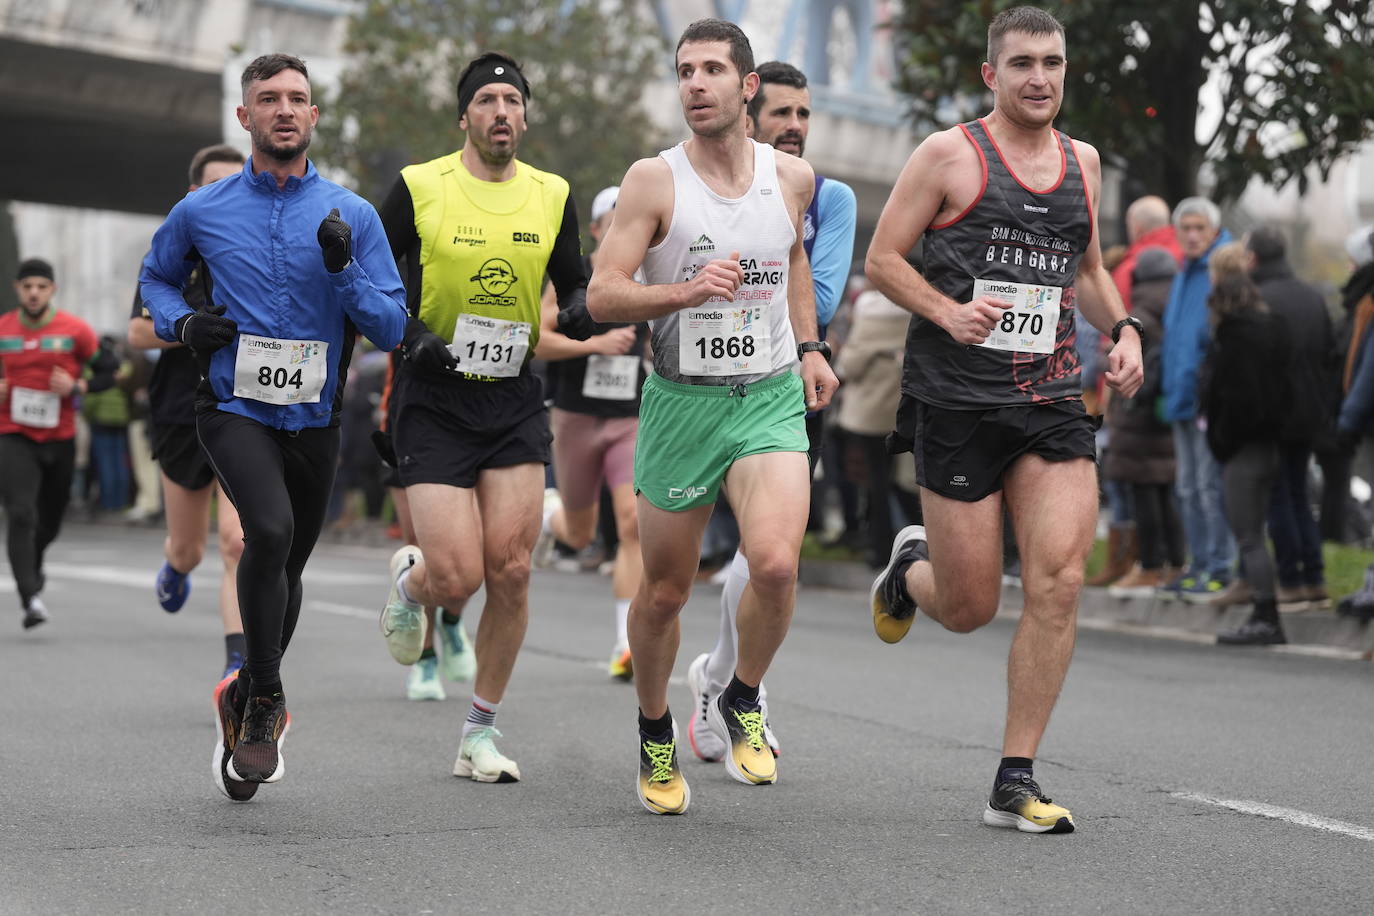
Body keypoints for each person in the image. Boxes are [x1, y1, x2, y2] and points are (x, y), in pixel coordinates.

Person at [864, 6, 1143, 834]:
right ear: (992, 75)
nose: (1039, 78)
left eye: (1052, 63)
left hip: (1051, 396)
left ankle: (1014, 776)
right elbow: (883, 260)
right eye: (1022, 63)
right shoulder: (949, 155)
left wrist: (1123, 329)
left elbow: (1086, 270)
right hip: (955, 401)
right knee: (970, 605)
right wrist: (948, 313)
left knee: (1059, 579)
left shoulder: (1084, 163)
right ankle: (909, 569)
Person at [585, 17, 838, 815]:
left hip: (765, 396)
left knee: (774, 565)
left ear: (748, 86)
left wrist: (810, 348)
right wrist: (683, 292)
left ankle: (742, 695)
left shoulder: (790, 179)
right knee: (664, 592)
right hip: (680, 403)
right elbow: (600, 294)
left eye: (711, 71)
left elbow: (793, 259)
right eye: (684, 71)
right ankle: (655, 730)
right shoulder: (654, 181)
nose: (695, 84)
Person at [140, 53, 406, 797]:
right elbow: (155, 278)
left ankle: (243, 695)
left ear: (314, 117)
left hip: (314, 418)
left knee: (285, 572)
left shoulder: (351, 215)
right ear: (245, 117)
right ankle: (263, 700)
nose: (285, 109)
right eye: (269, 99)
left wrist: (344, 268)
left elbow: (390, 324)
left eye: (297, 98)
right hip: (231, 407)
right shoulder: (204, 209)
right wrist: (182, 321)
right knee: (269, 532)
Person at [376, 51, 588, 783]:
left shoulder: (553, 194)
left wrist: (610, 311)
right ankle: (412, 587)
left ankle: (479, 733)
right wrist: (410, 337)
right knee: (457, 575)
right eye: (487, 100)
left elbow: (578, 288)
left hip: (511, 397)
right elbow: (371, 281)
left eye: (513, 99)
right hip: (433, 398)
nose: (502, 111)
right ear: (463, 116)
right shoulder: (416, 188)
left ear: (526, 116)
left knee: (514, 568)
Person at [683, 57, 857, 766]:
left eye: (804, 115)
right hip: (697, 390)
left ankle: (730, 684)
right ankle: (719, 681)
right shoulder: (698, 180)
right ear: (748, 109)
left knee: (770, 557)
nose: (793, 128)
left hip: (786, 388)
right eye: (781, 113)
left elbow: (820, 294)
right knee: (706, 562)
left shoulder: (827, 196)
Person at [129, 143, 250, 680]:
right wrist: (189, 326)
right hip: (181, 412)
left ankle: (237, 664)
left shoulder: (254, 254)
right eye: (213, 186)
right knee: (189, 549)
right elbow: (136, 332)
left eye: (235, 185)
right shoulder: (171, 251)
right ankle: (175, 567)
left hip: (241, 407)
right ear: (192, 193)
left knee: (237, 542)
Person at [534, 185, 650, 680]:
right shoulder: (574, 271)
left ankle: (626, 643)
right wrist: (595, 346)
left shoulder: (647, 274)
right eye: (614, 217)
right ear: (600, 226)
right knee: (579, 534)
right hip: (576, 416)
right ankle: (551, 514)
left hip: (628, 417)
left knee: (631, 523)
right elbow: (537, 338)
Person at [1, 259, 113, 630]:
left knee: (49, 520)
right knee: (20, 513)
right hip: (12, 433)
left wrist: (77, 387)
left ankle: (32, 561)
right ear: (18, 289)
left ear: (52, 290)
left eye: (41, 286)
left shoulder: (74, 330)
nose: (34, 292)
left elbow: (109, 371)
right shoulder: (3, 329)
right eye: (27, 286)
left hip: (60, 436)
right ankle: (29, 597)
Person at [1199, 242, 1291, 645]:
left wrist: (1221, 440)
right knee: (1256, 530)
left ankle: (1266, 615)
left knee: (1248, 533)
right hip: (1271, 441)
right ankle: (1264, 611)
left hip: (1244, 446)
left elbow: (1237, 398)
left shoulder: (1236, 335)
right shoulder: (1273, 324)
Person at [1246, 226, 1334, 610]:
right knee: (1299, 493)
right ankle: (1314, 578)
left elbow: (1254, 367)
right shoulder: (1313, 298)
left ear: (1252, 258)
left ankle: (1292, 579)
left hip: (1273, 414)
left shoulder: (1258, 300)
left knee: (1278, 496)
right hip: (1310, 411)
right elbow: (1330, 354)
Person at [1159, 197, 1235, 600]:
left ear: (1213, 230)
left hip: (1209, 402)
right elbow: (1178, 341)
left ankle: (1220, 566)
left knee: (1210, 486)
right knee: (1187, 487)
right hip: (1181, 398)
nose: (1191, 235)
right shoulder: (1184, 271)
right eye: (1184, 228)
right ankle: (1199, 563)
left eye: (1198, 228)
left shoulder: (1223, 271)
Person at [1105, 248, 1185, 596]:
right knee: (1166, 491)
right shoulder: (1180, 305)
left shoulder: (1137, 318)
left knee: (1142, 491)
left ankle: (1151, 565)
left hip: (1138, 414)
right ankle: (1175, 562)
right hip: (1170, 411)